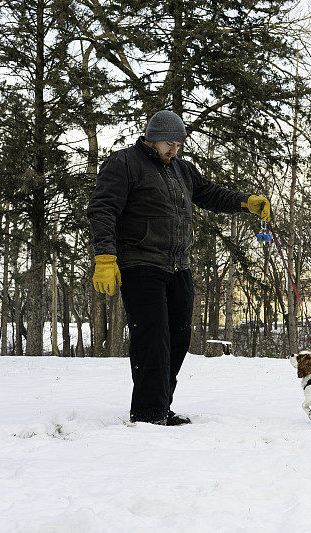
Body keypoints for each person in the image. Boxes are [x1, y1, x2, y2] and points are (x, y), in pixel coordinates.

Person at [87, 110, 270, 425]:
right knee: (153, 338)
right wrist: (105, 256)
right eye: (169, 143)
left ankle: (160, 404)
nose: (174, 149)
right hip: (140, 263)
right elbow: (102, 208)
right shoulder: (125, 163)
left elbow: (210, 194)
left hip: (178, 265)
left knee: (179, 338)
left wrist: (245, 201)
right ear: (153, 138)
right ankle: (148, 412)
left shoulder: (183, 170)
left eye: (178, 144)